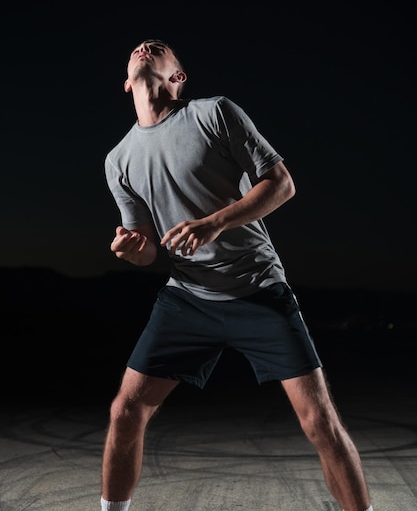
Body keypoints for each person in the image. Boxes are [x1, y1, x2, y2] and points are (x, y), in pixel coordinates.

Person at [101, 39, 373, 511]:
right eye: (139, 49)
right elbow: (147, 251)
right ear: (127, 83)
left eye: (159, 49)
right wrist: (132, 251)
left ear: (177, 78)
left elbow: (282, 184)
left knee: (318, 421)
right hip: (187, 297)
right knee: (126, 410)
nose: (146, 47)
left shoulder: (214, 113)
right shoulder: (119, 160)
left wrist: (215, 223)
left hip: (258, 291)